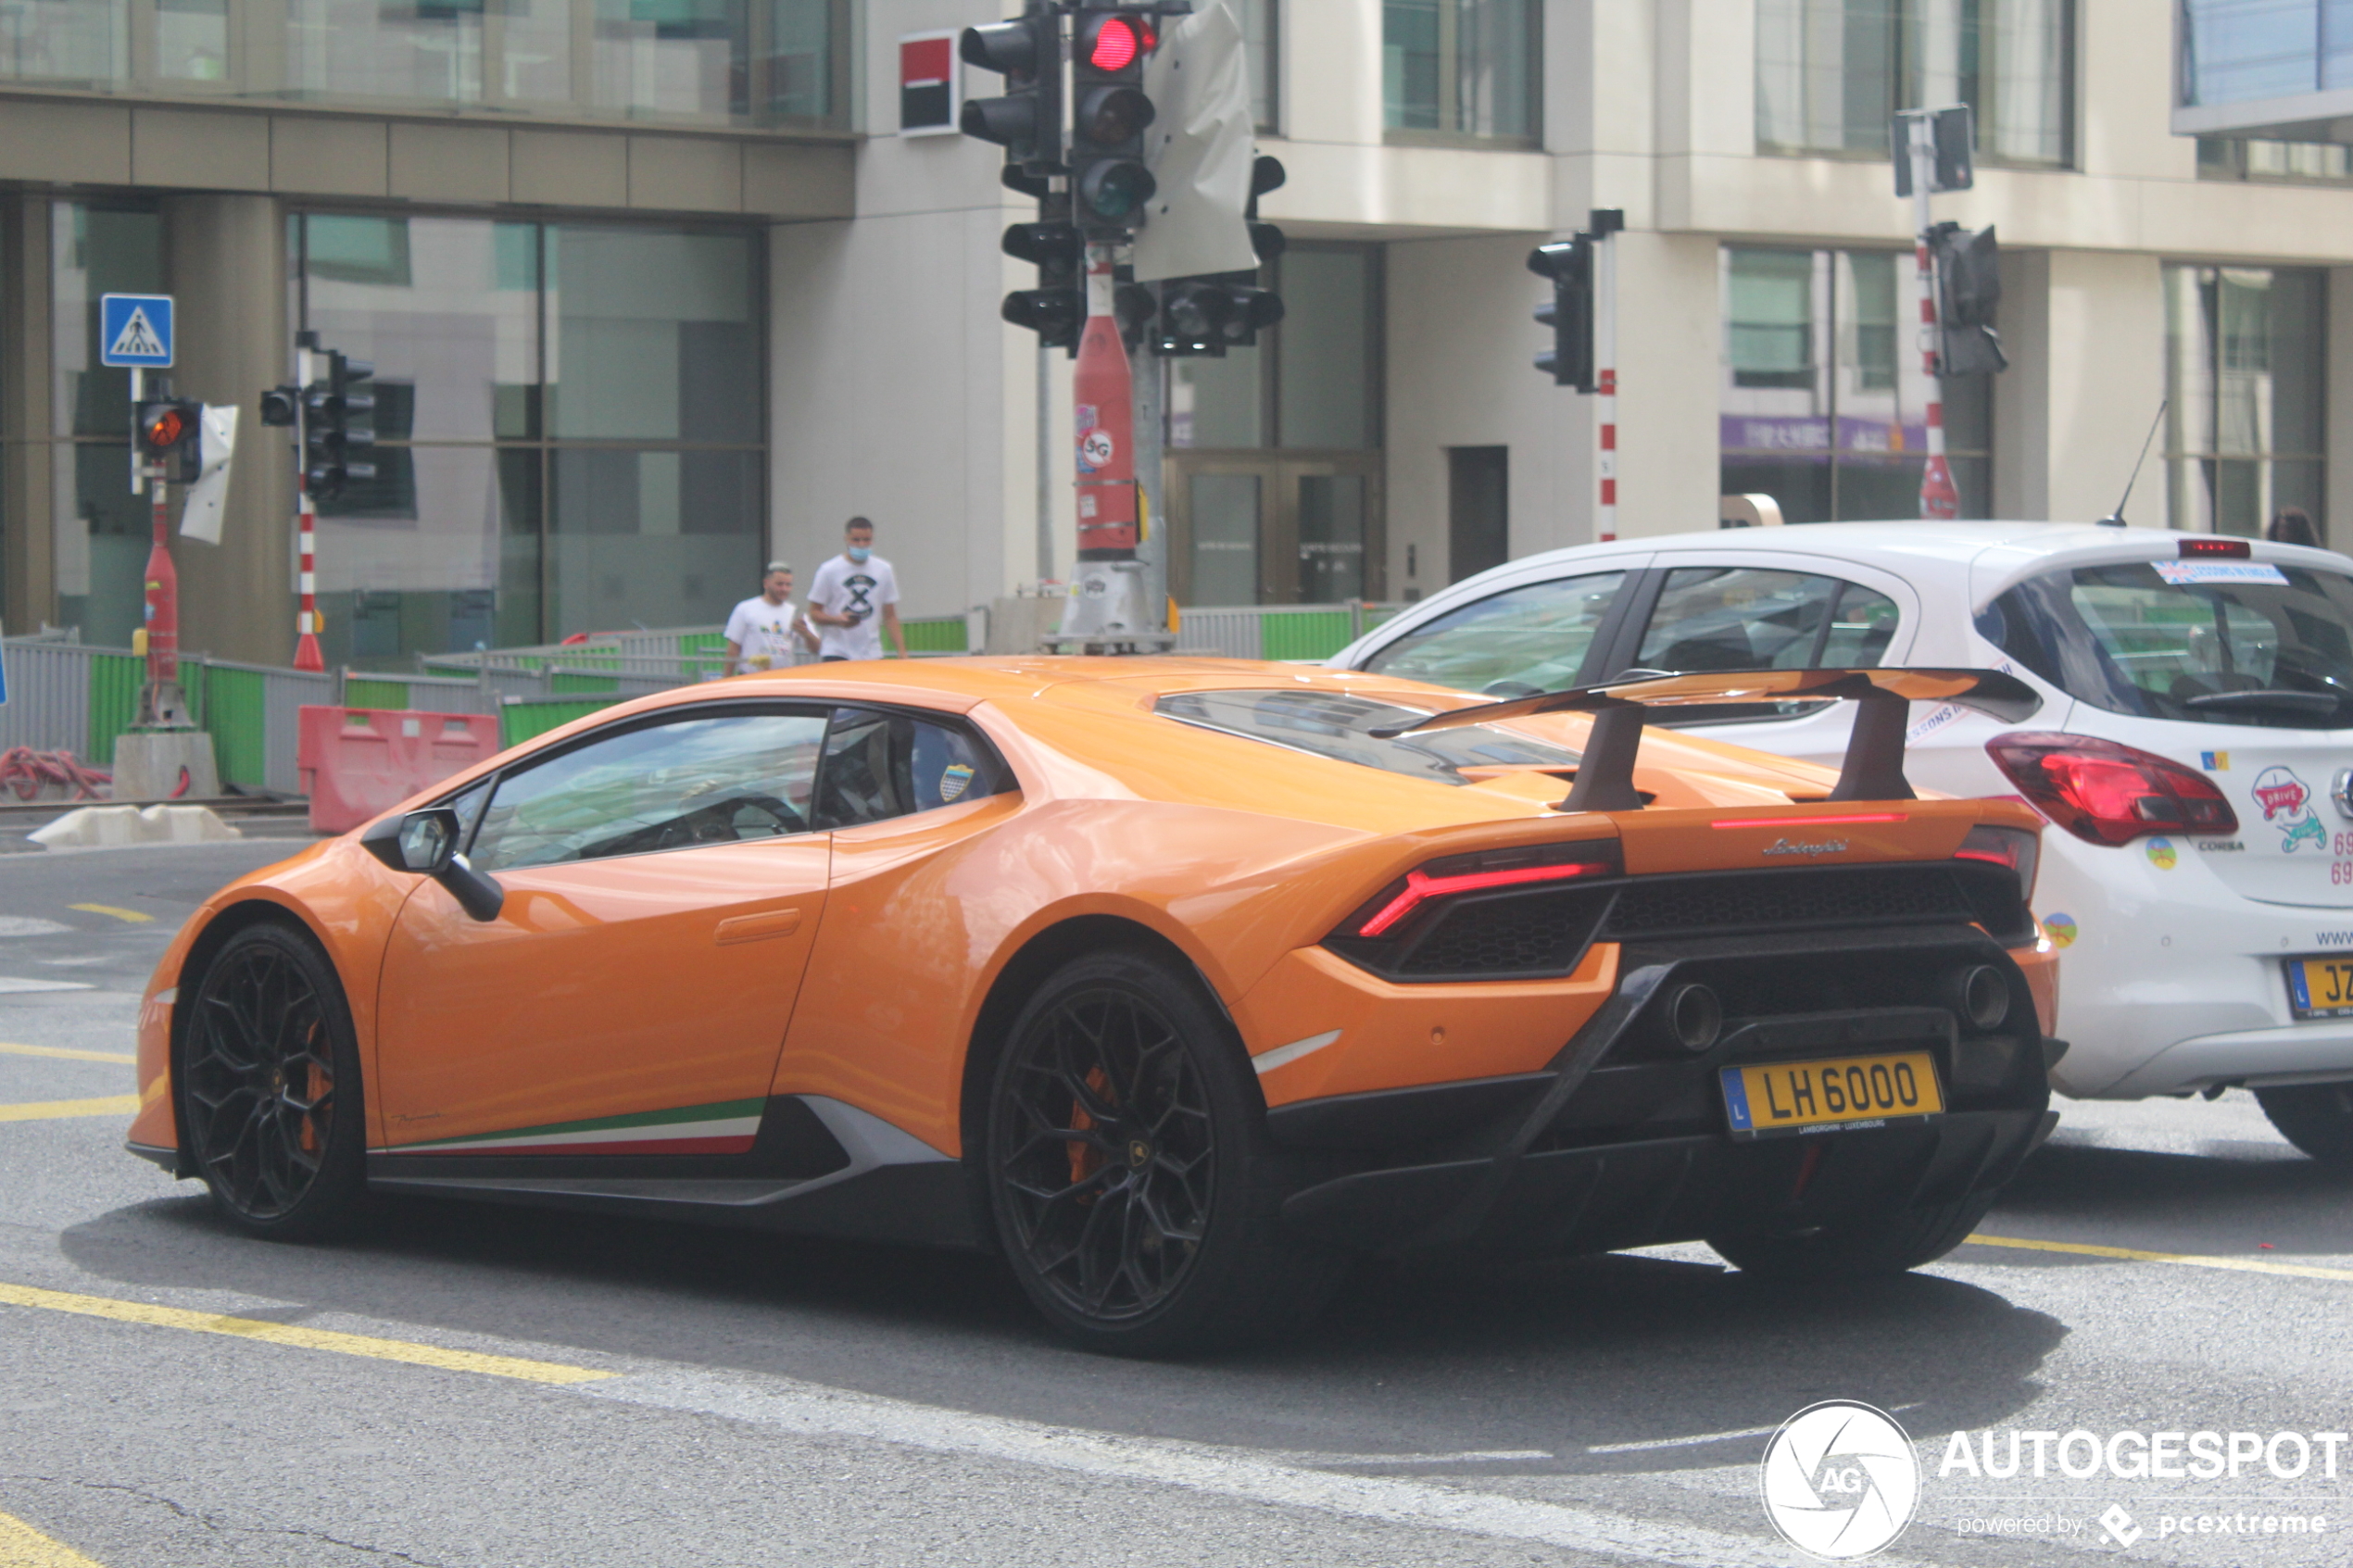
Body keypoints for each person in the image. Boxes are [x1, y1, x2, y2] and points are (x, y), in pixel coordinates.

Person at [804, 517, 907, 662]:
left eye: (866, 540)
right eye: (856, 540)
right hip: (837, 650)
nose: (861, 545)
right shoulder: (829, 570)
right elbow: (814, 612)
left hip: (871, 651)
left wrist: (901, 651)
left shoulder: (884, 570)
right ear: (847, 539)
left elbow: (890, 615)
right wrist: (837, 620)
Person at [723, 561, 809, 674]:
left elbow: (817, 647)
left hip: (783, 678)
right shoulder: (745, 608)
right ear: (766, 583)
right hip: (751, 677)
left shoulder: (795, 612)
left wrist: (806, 633)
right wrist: (727, 679)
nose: (784, 589)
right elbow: (733, 649)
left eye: (788, 585)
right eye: (779, 584)